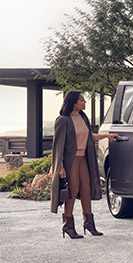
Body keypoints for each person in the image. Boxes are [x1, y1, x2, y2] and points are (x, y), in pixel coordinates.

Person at [50, 91, 119, 239]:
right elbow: (58, 146)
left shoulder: (82, 117)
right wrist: (60, 166)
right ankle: (68, 225)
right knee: (73, 191)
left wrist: (106, 136)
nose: (85, 103)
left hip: (83, 160)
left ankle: (89, 224)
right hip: (71, 161)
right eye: (82, 101)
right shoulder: (63, 120)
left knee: (86, 190)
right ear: (74, 103)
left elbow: (89, 137)